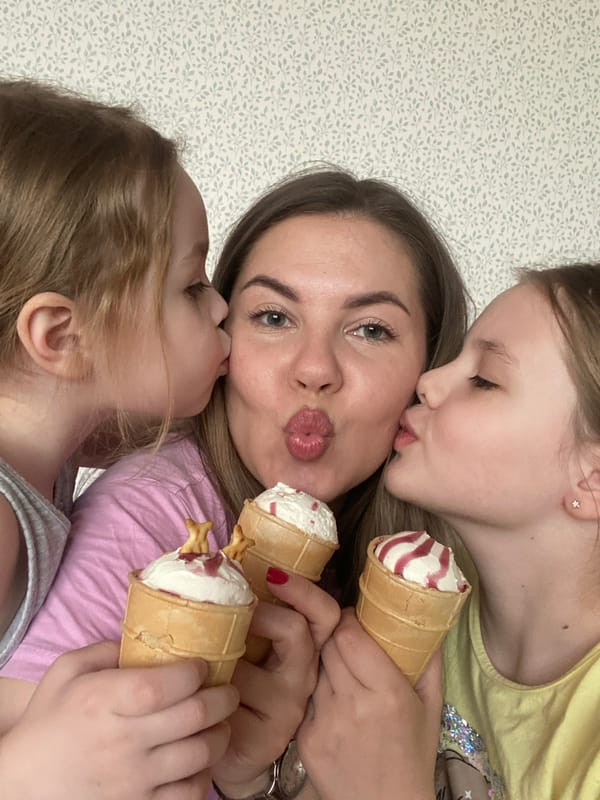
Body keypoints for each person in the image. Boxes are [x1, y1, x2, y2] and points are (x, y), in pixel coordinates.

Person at [0, 168, 470, 799]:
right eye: (274, 317)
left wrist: (250, 777)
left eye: (370, 329)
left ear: (430, 372)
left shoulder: (440, 563)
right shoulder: (155, 515)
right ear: (223, 347)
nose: (314, 369)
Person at [0, 79, 238, 799]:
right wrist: (27, 773)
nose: (223, 307)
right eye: (192, 287)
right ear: (63, 337)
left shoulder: (63, 445)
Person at [298, 262, 600, 800]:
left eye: (484, 379)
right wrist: (260, 775)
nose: (427, 382)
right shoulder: (428, 614)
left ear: (593, 478)